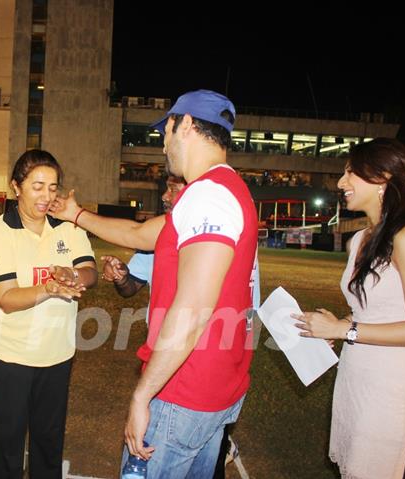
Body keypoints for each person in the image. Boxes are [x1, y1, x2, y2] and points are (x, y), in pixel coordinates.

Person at [50, 90, 257, 478]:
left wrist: (143, 395)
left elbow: (193, 309)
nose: (163, 143)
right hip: (216, 388)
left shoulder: (207, 197)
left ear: (188, 125)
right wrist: (76, 214)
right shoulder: (224, 190)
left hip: (186, 388)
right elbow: (141, 234)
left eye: (168, 130)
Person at [293, 138, 405, 479]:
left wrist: (344, 330)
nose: (341, 183)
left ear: (383, 179)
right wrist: (338, 323)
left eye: (351, 172)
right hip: (354, 377)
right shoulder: (359, 240)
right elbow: (370, 312)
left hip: (389, 385)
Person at [0, 149, 98, 479]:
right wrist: (50, 287)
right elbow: (6, 297)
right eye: (38, 186)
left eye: (53, 187)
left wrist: (77, 276)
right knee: (7, 446)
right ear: (16, 186)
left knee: (49, 445)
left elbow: (90, 270)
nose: (47, 196)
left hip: (57, 356)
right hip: (11, 356)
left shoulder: (68, 229)